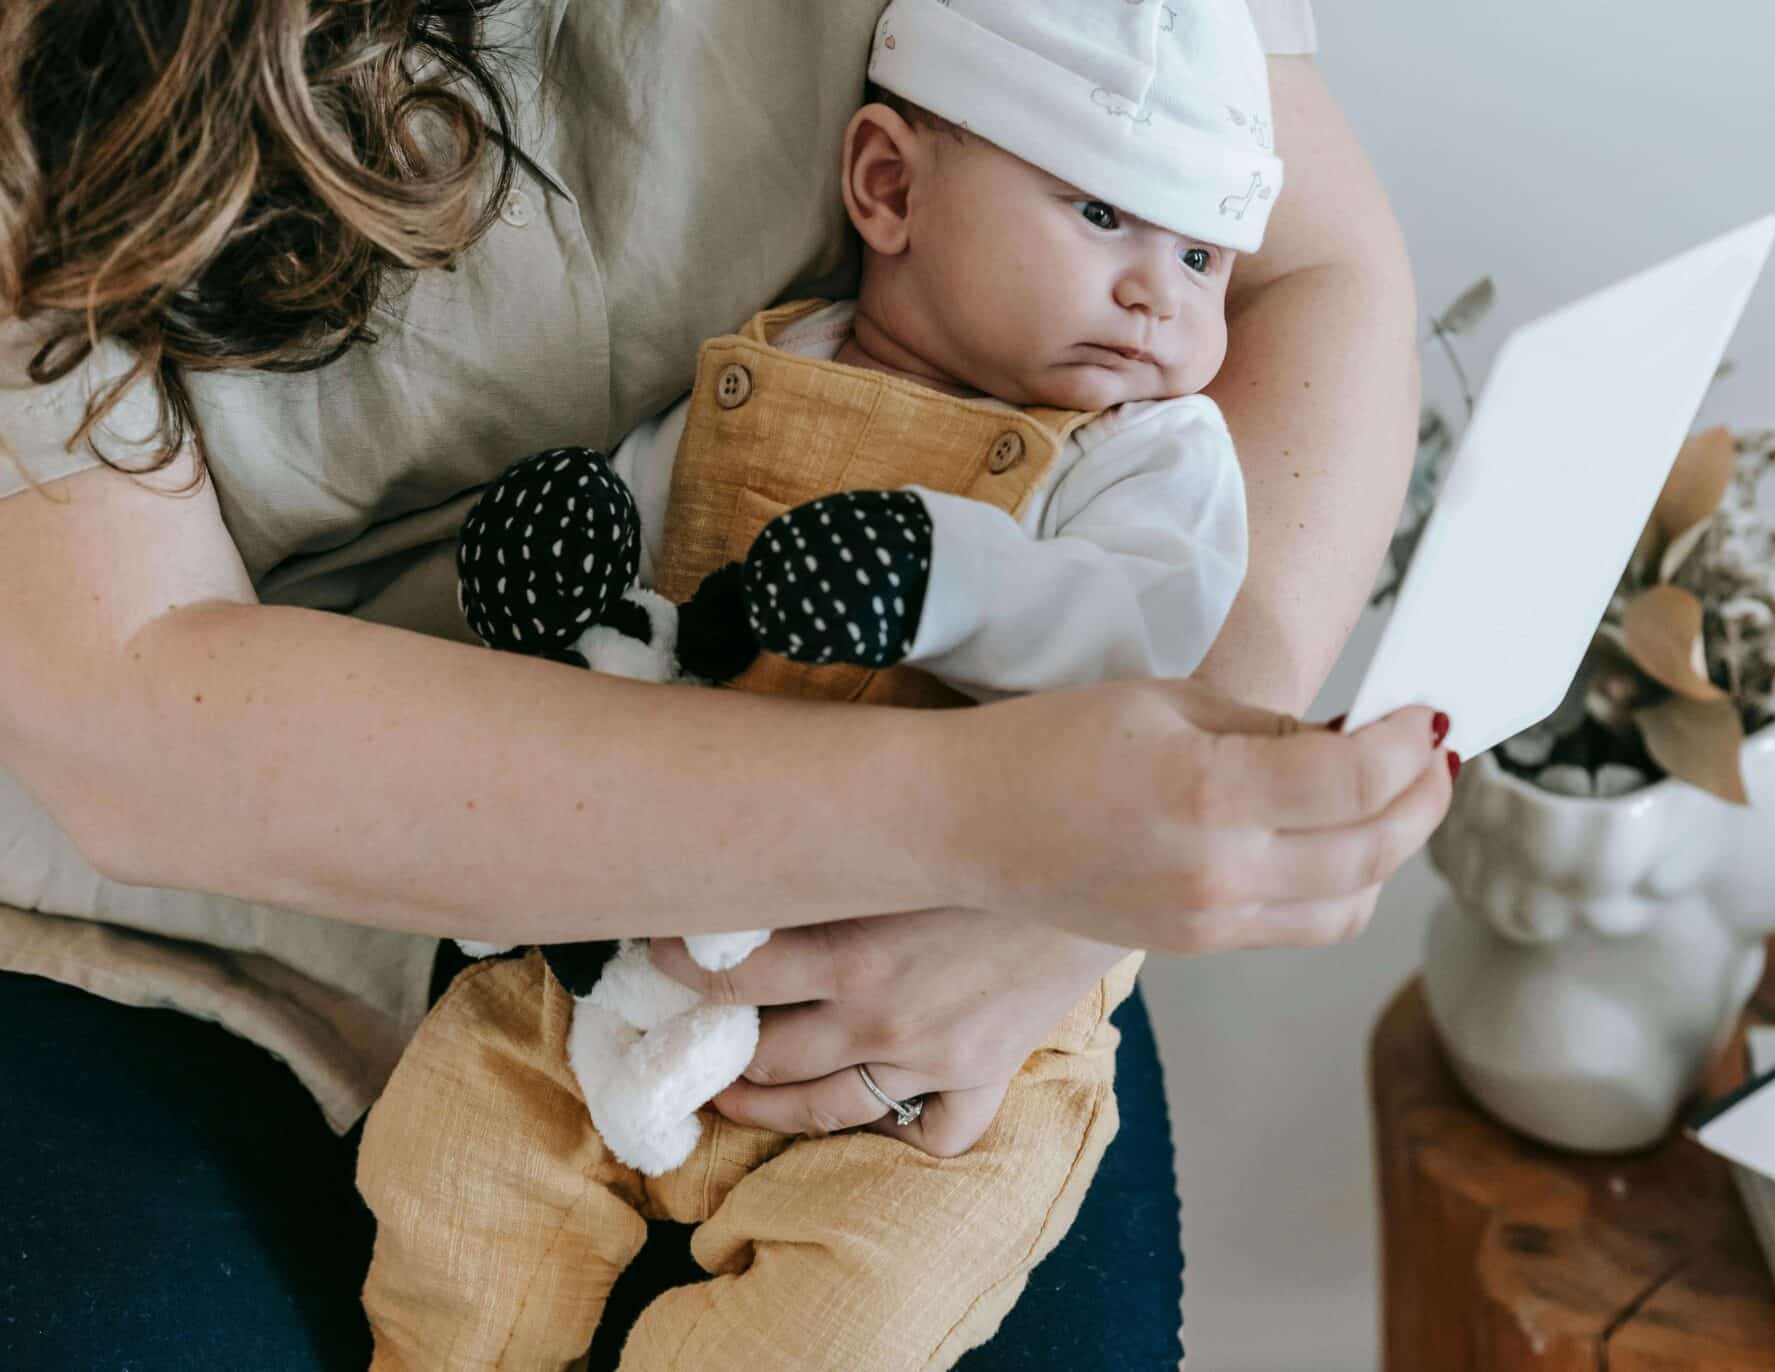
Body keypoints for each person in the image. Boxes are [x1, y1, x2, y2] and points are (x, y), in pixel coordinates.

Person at [0, 1, 1440, 1366]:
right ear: (890, 183)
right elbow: (134, 704)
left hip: (959, 877)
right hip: (202, 923)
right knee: (447, 1258)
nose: (1161, 289)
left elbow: (1320, 273)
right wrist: (988, 818)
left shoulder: (1126, 403)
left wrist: (1132, 837)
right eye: (1115, 223)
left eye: (1190, 255)